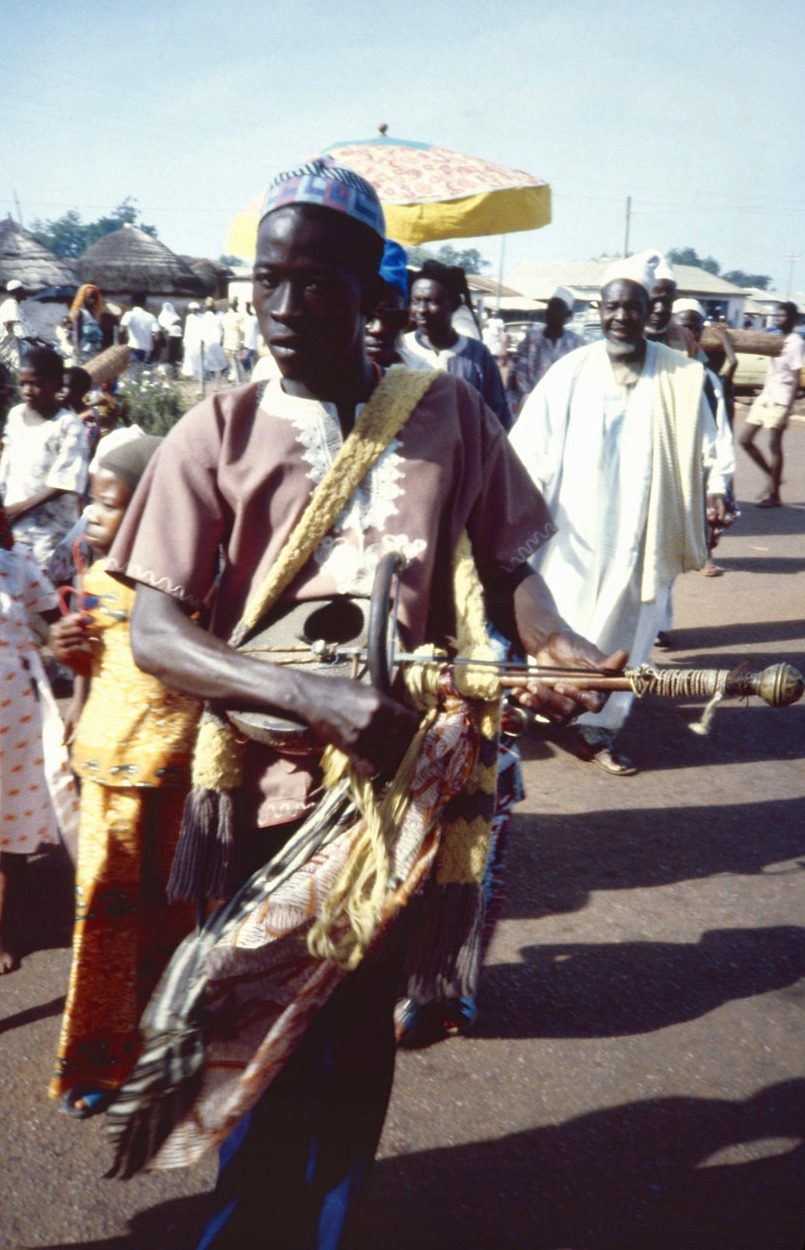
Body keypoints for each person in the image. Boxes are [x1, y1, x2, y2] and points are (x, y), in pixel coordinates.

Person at [105, 157, 622, 1248]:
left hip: (404, 792)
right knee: (250, 1031)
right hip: (260, 795)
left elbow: (506, 565)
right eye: (268, 281)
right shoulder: (220, 430)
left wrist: (560, 647)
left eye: (321, 285)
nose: (286, 311)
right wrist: (307, 693)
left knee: (352, 1041)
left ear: (379, 298)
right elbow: (158, 633)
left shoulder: (448, 415)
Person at [511, 250, 728, 776]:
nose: (621, 317)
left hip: (641, 530)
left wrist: (717, 488)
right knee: (557, 613)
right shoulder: (570, 371)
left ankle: (599, 727)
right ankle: (543, 706)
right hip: (571, 530)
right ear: (599, 308)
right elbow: (527, 448)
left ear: (645, 309)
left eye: (632, 307)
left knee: (626, 627)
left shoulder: (678, 376)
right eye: (612, 307)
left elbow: (709, 442)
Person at [48, 435, 200, 1117]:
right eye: (91, 501)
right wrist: (69, 655)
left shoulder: (202, 582)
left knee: (181, 922)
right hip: (108, 771)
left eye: (110, 504)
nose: (92, 515)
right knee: (105, 922)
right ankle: (95, 1065)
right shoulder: (96, 575)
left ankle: (171, 1058)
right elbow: (90, 669)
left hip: (183, 772)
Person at [0, 501, 78, 973]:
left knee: (8, 831)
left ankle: (4, 929)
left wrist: (67, 639)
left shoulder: (15, 566)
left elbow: (55, 625)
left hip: (13, 716)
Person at [0, 347, 89, 573]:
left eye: (36, 384)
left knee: (49, 594)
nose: (28, 391)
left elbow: (65, 481)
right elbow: (8, 463)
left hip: (50, 531)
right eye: (23, 384)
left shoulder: (69, 426)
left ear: (57, 385)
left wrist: (18, 509)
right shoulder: (16, 415)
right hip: (14, 526)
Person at [403, 259, 511, 427]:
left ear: (454, 305)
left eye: (432, 301)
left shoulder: (477, 354)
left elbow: (496, 418)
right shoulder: (402, 349)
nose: (422, 310)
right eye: (416, 301)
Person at [738, 301, 803, 507]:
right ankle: (773, 477)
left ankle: (775, 496)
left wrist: (788, 409)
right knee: (745, 439)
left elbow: (794, 377)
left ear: (793, 320)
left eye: (782, 316)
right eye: (776, 315)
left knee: (774, 445)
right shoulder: (774, 339)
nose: (777, 318)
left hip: (781, 399)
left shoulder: (795, 343)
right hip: (765, 397)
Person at [506, 286, 582, 418]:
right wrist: (534, 399)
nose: (552, 313)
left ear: (568, 315)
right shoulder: (531, 338)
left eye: (558, 308)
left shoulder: (575, 343)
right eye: (550, 308)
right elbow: (518, 372)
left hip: (564, 407)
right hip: (531, 405)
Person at [645, 256, 699, 357]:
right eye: (653, 300)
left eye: (667, 301)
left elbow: (702, 371)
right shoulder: (619, 335)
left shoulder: (685, 338)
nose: (660, 309)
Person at [0, 279, 34, 367]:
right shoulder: (12, 307)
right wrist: (37, 345)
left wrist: (43, 343)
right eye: (22, 290)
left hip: (11, 345)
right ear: (17, 292)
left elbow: (29, 332)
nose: (24, 292)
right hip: (9, 347)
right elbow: (20, 333)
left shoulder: (12, 306)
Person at [120, 293, 160, 363]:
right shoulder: (151, 317)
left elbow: (121, 331)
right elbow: (157, 338)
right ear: (144, 302)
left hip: (132, 352)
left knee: (131, 373)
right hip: (147, 353)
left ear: (132, 302)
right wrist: (154, 355)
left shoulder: (129, 315)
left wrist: (122, 348)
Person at [69, 285, 105, 362]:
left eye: (95, 298)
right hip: (83, 351)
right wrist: (77, 349)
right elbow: (77, 333)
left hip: (94, 352)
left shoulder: (95, 315)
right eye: (90, 298)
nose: (92, 300)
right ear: (83, 298)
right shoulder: (80, 313)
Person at [157, 301, 183, 371]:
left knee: (172, 353)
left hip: (172, 337)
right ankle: (164, 369)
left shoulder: (176, 317)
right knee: (165, 352)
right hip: (165, 338)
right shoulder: (161, 317)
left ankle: (172, 369)